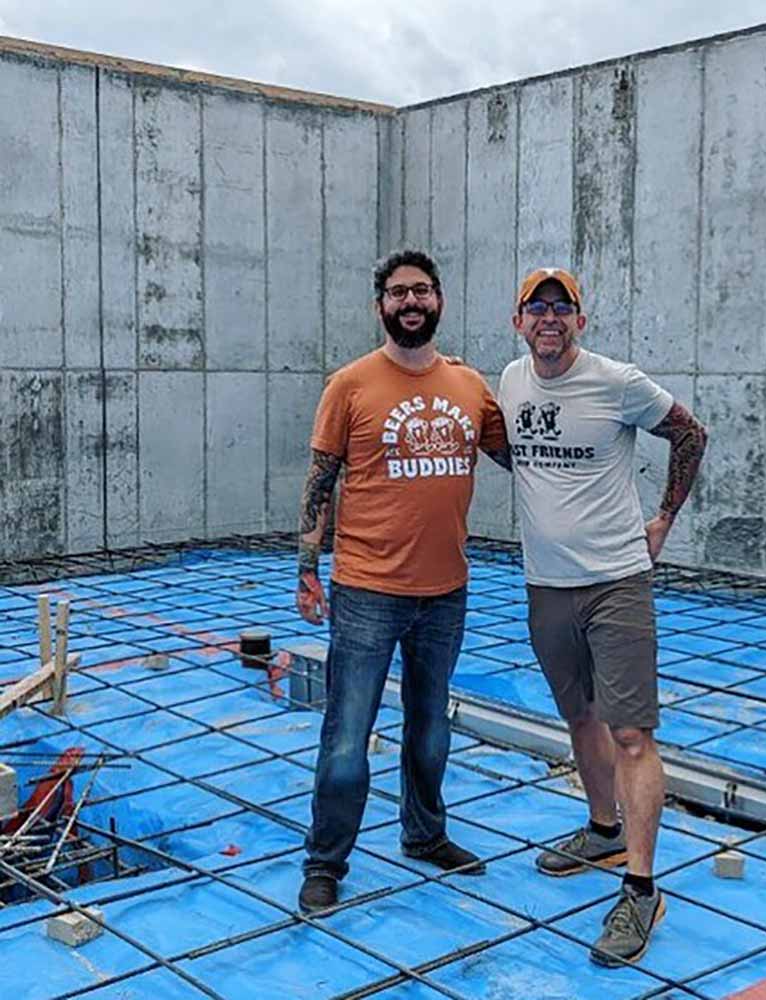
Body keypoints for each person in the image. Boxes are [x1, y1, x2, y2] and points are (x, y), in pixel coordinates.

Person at [498, 267, 708, 966]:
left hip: (617, 581)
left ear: (580, 322)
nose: (550, 318)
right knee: (579, 717)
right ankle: (601, 826)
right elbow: (519, 455)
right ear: (518, 320)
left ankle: (641, 888)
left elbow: (690, 434)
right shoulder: (510, 381)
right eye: (538, 307)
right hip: (545, 586)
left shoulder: (617, 381)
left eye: (564, 308)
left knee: (631, 733)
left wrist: (663, 520)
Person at [295, 249, 510, 914]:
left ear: (439, 300)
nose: (410, 302)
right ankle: (326, 862)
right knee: (347, 737)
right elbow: (320, 481)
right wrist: (307, 568)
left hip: (446, 590)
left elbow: (522, 457)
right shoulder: (351, 384)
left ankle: (425, 835)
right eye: (397, 293)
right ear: (380, 306)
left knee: (429, 728)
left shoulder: (472, 387)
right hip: (366, 590)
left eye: (421, 291)